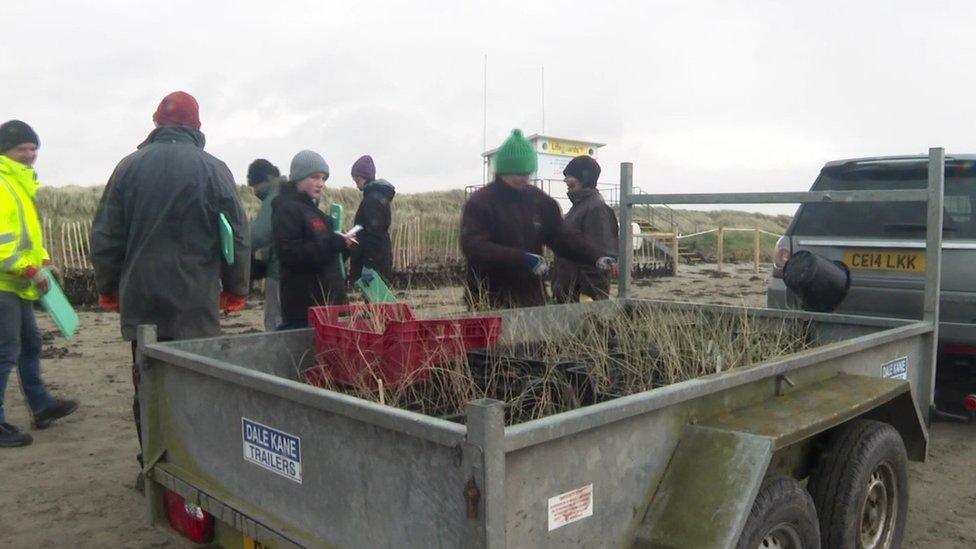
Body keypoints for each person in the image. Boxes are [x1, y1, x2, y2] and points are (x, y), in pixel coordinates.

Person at [91, 91, 250, 484]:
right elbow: (237, 235)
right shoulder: (214, 169)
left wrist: (108, 288)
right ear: (197, 127)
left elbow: (106, 235)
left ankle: (152, 467)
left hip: (142, 298)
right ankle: (193, 470)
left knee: (147, 384)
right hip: (195, 301)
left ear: (157, 124)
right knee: (193, 384)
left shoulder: (128, 168)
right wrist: (236, 289)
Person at [461, 129, 616, 309]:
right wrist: (521, 258)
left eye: (528, 173)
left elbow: (561, 237)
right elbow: (473, 247)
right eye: (519, 174)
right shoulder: (481, 203)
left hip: (531, 300)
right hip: (487, 299)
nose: (525, 178)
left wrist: (595, 256)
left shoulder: (539, 201)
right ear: (503, 172)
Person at [0, 120, 78, 447]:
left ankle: (41, 404)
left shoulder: (22, 183)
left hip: (17, 282)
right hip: (6, 281)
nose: (30, 154)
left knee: (30, 344)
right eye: (23, 149)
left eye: (34, 148)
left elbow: (28, 236)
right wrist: (28, 269)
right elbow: (4, 243)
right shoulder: (4, 184)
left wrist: (43, 259)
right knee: (5, 351)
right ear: (6, 151)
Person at [273, 150, 354, 329]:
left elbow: (327, 256)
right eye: (315, 177)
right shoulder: (287, 210)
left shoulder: (313, 212)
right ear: (299, 178)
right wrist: (334, 243)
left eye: (324, 178)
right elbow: (291, 255)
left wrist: (344, 246)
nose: (321, 183)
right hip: (305, 306)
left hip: (328, 304)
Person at [552, 156, 619, 302]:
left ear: (585, 178)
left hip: (582, 299)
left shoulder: (597, 209)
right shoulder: (578, 207)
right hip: (567, 294)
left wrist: (589, 296)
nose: (566, 181)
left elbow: (602, 257)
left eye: (570, 176)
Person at [247, 159, 286, 331]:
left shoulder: (274, 198)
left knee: (274, 319)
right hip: (294, 271)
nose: (254, 191)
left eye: (255, 185)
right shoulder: (289, 191)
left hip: (277, 271)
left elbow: (257, 236)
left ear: (265, 180)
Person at [349, 155, 396, 284]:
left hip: (375, 264)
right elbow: (366, 227)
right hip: (378, 260)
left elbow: (374, 233)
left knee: (377, 303)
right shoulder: (375, 197)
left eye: (357, 179)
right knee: (375, 303)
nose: (356, 184)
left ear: (366, 177)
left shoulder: (372, 200)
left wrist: (368, 264)